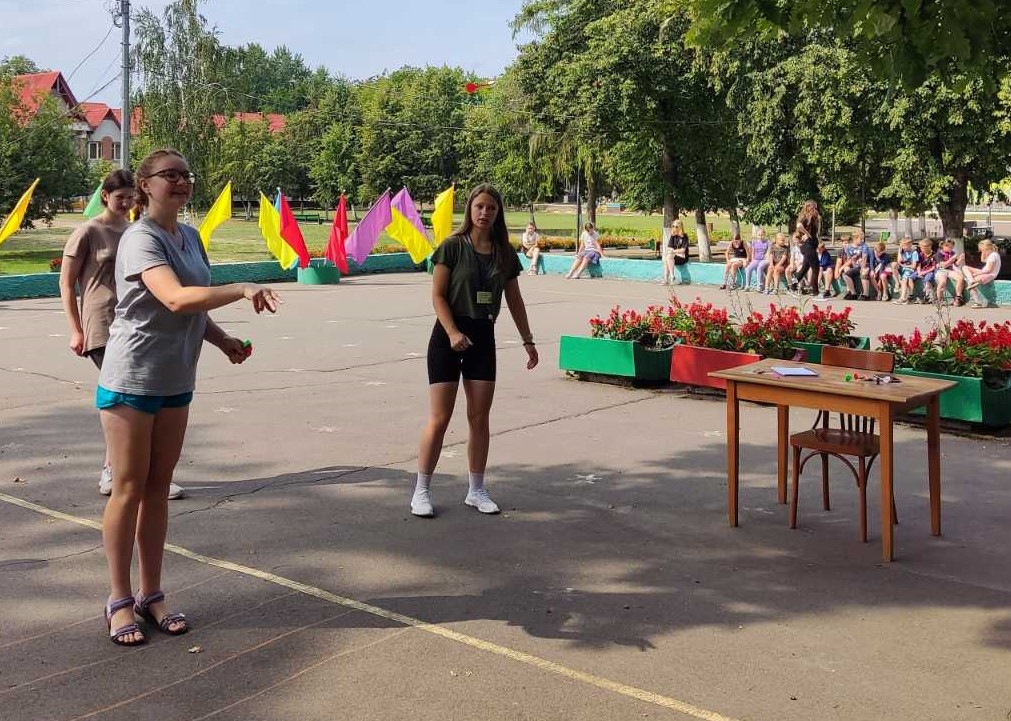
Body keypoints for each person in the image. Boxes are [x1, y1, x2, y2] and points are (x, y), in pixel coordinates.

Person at [98, 149, 280, 646]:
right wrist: (241, 287)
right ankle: (118, 599)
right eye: (169, 175)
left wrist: (222, 340)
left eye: (185, 175)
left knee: (158, 489)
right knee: (128, 489)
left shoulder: (191, 236)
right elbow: (175, 297)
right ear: (145, 184)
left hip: (177, 377)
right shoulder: (140, 238)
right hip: (132, 378)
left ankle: (151, 594)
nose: (180, 182)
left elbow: (194, 308)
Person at [60, 171, 190, 499]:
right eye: (120, 197)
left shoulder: (137, 231)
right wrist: (75, 329)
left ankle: (145, 474)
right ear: (105, 196)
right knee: (125, 397)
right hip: (102, 321)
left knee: (140, 398)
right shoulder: (88, 231)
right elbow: (66, 282)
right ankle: (115, 472)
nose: (126, 203)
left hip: (135, 321)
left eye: (131, 197)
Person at [413, 184, 538, 519]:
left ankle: (476, 490)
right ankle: (421, 490)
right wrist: (453, 332)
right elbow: (438, 295)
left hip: (483, 335)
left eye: (491, 208)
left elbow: (514, 299)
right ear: (470, 209)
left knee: (479, 418)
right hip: (448, 335)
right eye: (479, 206)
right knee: (440, 418)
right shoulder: (452, 246)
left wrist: (528, 340)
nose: (485, 213)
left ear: (498, 213)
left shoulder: (504, 253)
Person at [791, 200, 821, 294]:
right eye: (813, 207)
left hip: (811, 245)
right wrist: (807, 234)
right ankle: (815, 292)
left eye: (815, 207)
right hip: (808, 246)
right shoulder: (806, 217)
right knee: (816, 268)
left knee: (805, 268)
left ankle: (792, 286)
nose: (815, 209)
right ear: (808, 207)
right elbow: (799, 226)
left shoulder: (813, 217)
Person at [962, 239, 1002, 308]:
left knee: (971, 284)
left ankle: (977, 302)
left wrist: (977, 274)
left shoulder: (993, 256)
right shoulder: (993, 254)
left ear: (986, 248)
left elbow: (989, 270)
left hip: (989, 274)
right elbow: (983, 260)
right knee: (965, 267)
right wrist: (983, 253)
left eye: (982, 250)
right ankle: (971, 280)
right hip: (985, 272)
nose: (981, 251)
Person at [934, 239, 965, 306]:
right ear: (943, 246)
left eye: (952, 247)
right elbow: (944, 265)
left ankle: (958, 297)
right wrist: (952, 258)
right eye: (949, 247)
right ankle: (939, 300)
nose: (951, 249)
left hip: (950, 270)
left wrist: (960, 259)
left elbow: (956, 264)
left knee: (960, 278)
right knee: (942, 282)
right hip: (941, 270)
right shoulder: (938, 254)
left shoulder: (952, 253)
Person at [893, 236, 920, 304]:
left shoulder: (914, 252)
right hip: (903, 268)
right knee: (893, 264)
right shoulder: (902, 251)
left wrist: (905, 266)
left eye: (904, 246)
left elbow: (914, 266)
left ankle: (902, 298)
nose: (903, 247)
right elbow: (899, 261)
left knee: (904, 280)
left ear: (910, 245)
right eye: (902, 246)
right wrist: (900, 251)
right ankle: (897, 283)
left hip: (909, 269)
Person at [663, 219, 690, 285]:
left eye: (676, 226)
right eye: (673, 226)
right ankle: (667, 278)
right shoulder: (673, 236)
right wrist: (673, 252)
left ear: (680, 227)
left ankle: (670, 277)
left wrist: (673, 251)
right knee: (667, 257)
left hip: (683, 258)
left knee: (669, 256)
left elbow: (683, 250)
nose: (674, 228)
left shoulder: (684, 236)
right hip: (674, 257)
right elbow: (670, 248)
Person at [916, 239, 939, 304]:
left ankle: (929, 296)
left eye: (923, 248)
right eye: (921, 248)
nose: (921, 249)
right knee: (910, 277)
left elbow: (933, 267)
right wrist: (919, 272)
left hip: (930, 271)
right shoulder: (921, 254)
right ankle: (912, 295)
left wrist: (923, 272)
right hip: (922, 271)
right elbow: (919, 265)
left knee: (927, 279)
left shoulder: (934, 255)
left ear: (929, 247)